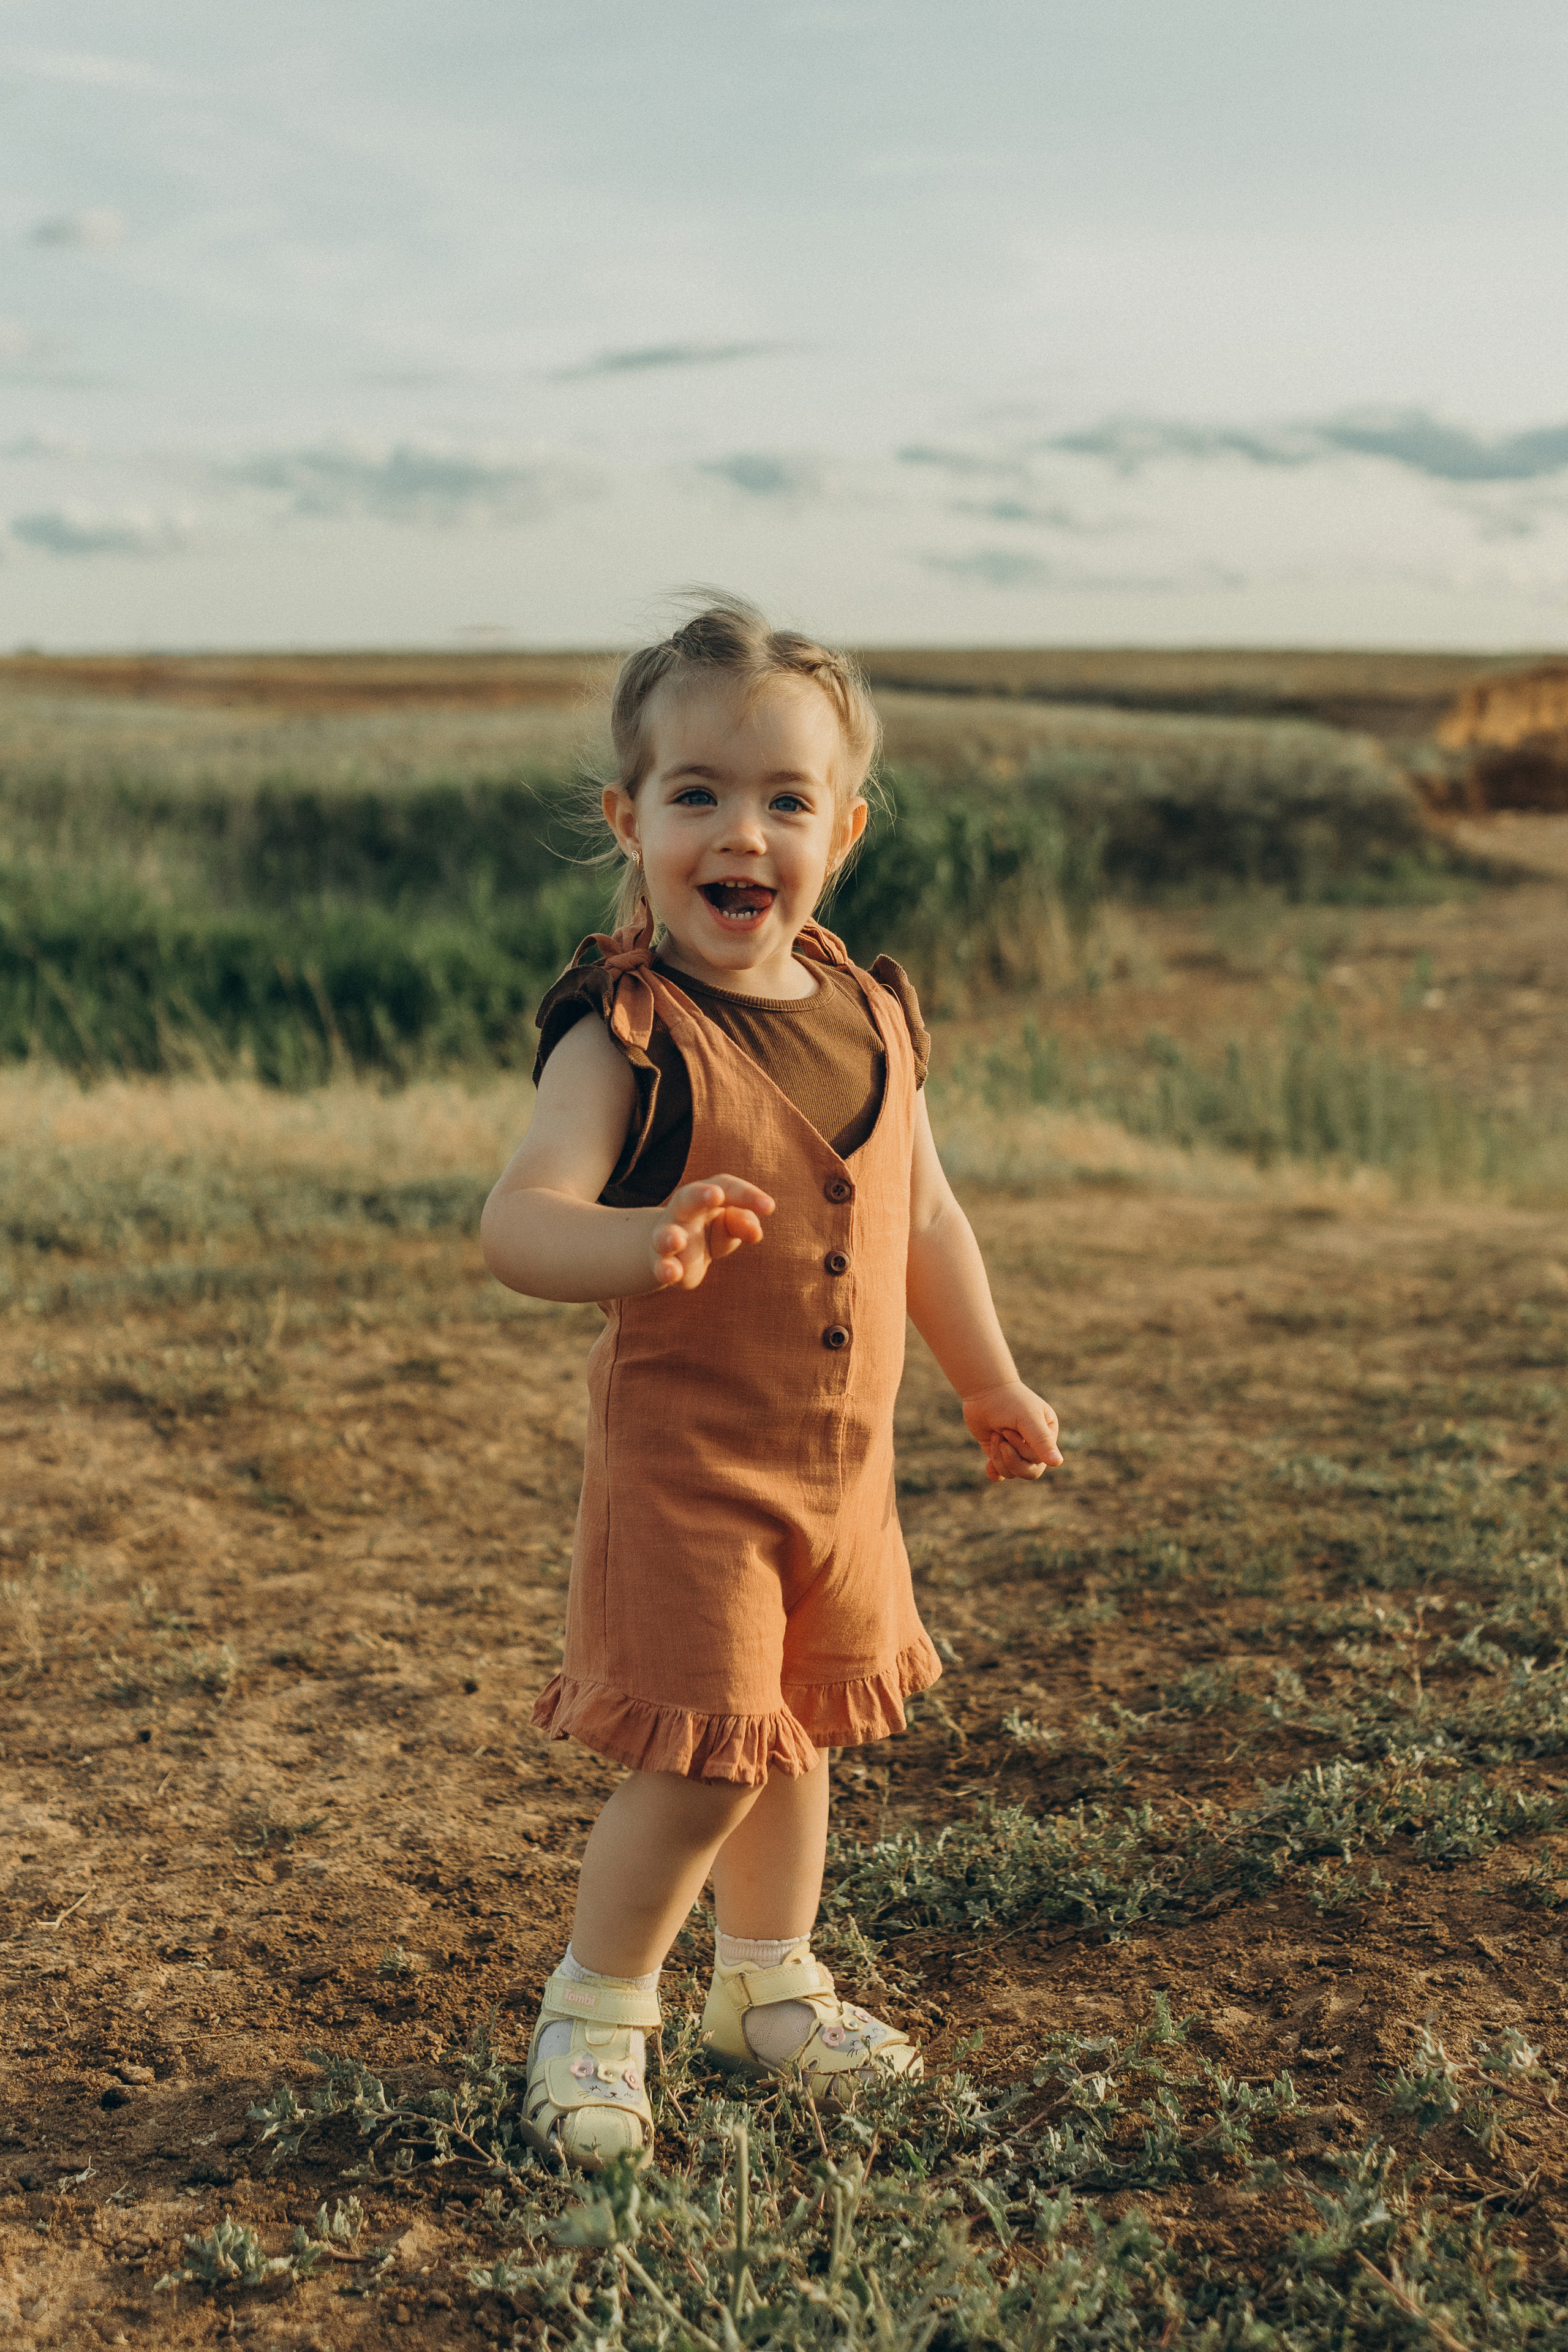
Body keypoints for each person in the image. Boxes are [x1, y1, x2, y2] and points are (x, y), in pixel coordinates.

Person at [481, 600, 1062, 2168]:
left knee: (793, 1736)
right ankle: (596, 2014)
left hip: (839, 1474)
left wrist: (989, 1383)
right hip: (690, 1479)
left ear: (842, 832)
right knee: (695, 1763)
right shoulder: (625, 1039)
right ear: (629, 819)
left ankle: (765, 1988)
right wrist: (633, 1244)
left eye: (784, 800)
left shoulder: (871, 1015)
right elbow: (517, 1221)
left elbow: (923, 1216)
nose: (741, 830)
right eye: (696, 795)